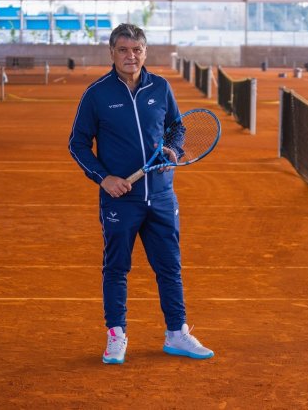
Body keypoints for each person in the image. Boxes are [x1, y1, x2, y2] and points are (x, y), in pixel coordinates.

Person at [68, 23, 214, 365]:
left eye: (136, 50)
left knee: (169, 267)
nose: (130, 56)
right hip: (121, 199)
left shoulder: (160, 88)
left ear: (145, 52)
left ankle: (177, 333)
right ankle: (116, 335)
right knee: (117, 268)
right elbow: (77, 144)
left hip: (162, 196)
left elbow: (177, 127)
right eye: (123, 50)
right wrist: (104, 178)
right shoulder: (97, 94)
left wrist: (174, 149)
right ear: (112, 53)